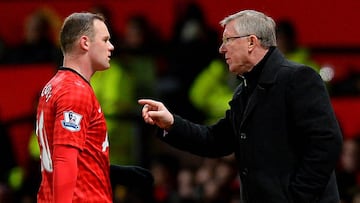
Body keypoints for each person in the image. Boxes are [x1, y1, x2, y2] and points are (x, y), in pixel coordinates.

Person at [139, 9, 343, 203]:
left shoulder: (299, 78)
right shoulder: (244, 91)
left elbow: (326, 143)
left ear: (251, 42)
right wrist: (171, 123)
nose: (221, 48)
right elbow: (215, 140)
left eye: (228, 39)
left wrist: (297, 197)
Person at [35, 12, 114, 202]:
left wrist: (109, 171)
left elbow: (75, 156)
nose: (111, 46)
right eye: (105, 40)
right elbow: (64, 160)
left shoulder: (54, 85)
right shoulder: (75, 91)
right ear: (85, 43)